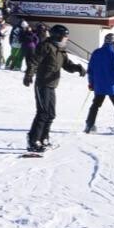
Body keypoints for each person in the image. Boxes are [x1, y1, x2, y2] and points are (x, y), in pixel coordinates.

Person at [23, 24, 86, 152]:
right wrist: (28, 75)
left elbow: (67, 65)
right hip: (42, 84)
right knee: (43, 113)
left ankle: (44, 138)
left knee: (51, 114)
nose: (66, 39)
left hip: (52, 85)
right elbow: (34, 61)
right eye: (65, 36)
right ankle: (33, 140)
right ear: (57, 36)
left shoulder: (60, 50)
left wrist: (78, 68)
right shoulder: (45, 46)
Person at [84, 33, 114, 134]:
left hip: (99, 86)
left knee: (95, 105)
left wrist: (91, 83)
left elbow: (91, 70)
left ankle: (89, 125)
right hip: (112, 87)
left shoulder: (96, 53)